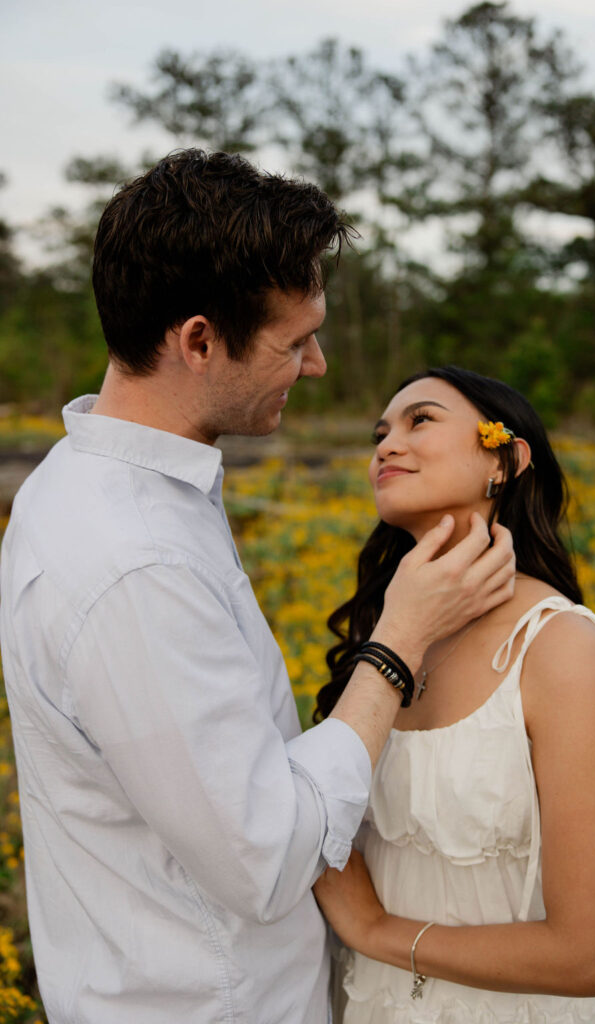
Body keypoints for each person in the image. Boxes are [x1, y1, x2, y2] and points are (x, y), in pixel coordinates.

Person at [0, 153, 516, 1024]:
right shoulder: (134, 562)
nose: (315, 365)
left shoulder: (95, 481)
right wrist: (397, 643)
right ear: (198, 340)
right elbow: (267, 855)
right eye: (294, 340)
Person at [313, 366, 595, 1023]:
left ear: (504, 459)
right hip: (377, 1003)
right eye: (379, 431)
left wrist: (376, 932)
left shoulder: (556, 644)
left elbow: (586, 957)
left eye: (420, 420)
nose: (384, 445)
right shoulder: (382, 630)